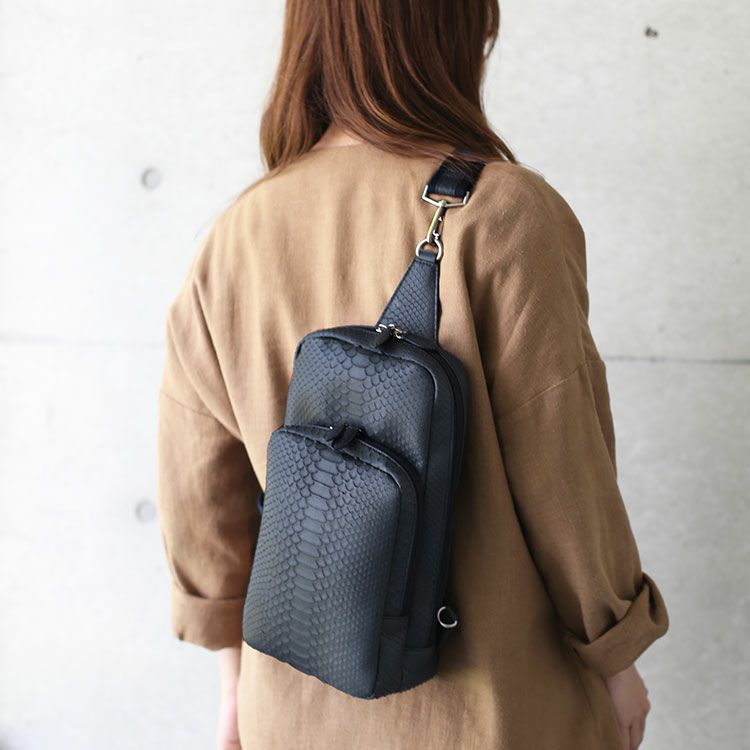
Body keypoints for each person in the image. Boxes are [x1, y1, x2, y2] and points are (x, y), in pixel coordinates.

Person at [155, 1, 669, 749]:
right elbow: (568, 480)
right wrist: (618, 655)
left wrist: (235, 687)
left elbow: (198, 496)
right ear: (454, 30)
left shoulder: (235, 234)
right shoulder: (504, 216)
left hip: (292, 711)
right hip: (496, 712)